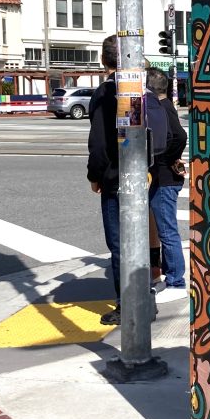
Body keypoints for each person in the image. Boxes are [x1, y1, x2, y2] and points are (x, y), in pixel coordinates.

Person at [87, 35, 122, 325]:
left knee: (119, 243)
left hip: (113, 178)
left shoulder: (103, 94)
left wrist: (95, 176)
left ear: (103, 59)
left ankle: (126, 304)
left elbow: (98, 143)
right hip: (142, 175)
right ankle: (142, 296)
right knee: (139, 239)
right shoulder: (141, 89)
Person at [146, 67, 187, 303]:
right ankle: (171, 276)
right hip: (166, 176)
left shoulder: (162, 109)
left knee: (167, 230)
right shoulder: (165, 107)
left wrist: (166, 157)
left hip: (164, 177)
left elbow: (179, 137)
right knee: (166, 228)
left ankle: (175, 279)